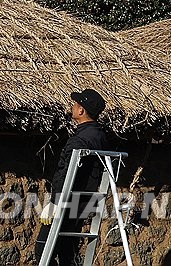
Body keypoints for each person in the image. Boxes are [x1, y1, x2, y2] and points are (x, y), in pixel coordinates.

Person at [35, 88, 113, 265]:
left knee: (43, 251)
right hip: (84, 202)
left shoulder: (80, 140)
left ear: (81, 110)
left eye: (75, 104)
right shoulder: (101, 136)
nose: (72, 106)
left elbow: (67, 172)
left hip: (68, 202)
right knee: (67, 253)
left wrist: (55, 202)